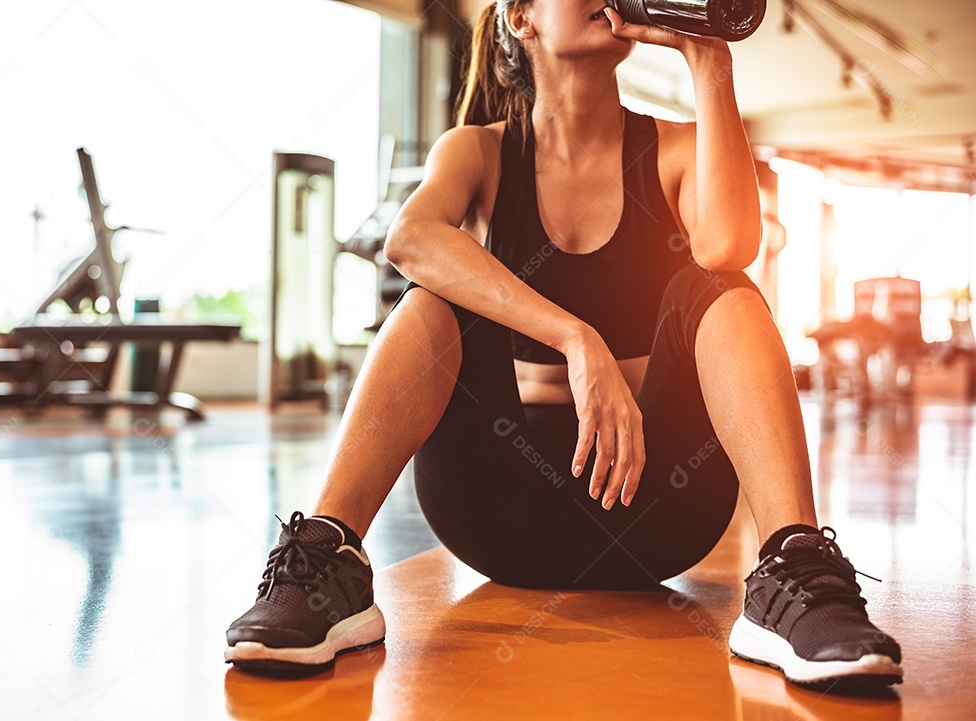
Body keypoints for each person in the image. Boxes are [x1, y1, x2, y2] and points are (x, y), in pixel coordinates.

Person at [225, 0, 903, 690]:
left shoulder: (675, 147)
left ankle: (793, 566)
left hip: (657, 506)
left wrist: (711, 58)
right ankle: (329, 559)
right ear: (522, 16)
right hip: (494, 509)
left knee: (717, 285)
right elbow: (411, 239)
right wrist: (578, 339)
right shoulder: (479, 151)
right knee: (435, 295)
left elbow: (729, 245)